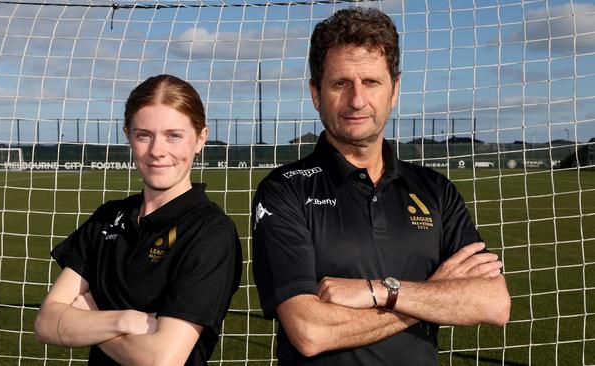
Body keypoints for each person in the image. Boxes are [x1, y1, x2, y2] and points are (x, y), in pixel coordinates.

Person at [252, 7, 510, 365]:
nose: (357, 100)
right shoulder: (284, 191)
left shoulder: (435, 189)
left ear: (395, 89)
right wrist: (432, 294)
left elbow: (493, 303)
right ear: (316, 92)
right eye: (341, 83)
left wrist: (378, 291)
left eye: (371, 82)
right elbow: (311, 332)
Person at [34, 74, 242, 365]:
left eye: (174, 135)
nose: (157, 150)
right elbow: (46, 322)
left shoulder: (210, 231)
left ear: (200, 139)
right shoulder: (107, 217)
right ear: (128, 135)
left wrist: (90, 315)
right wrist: (125, 320)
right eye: (144, 134)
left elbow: (162, 360)